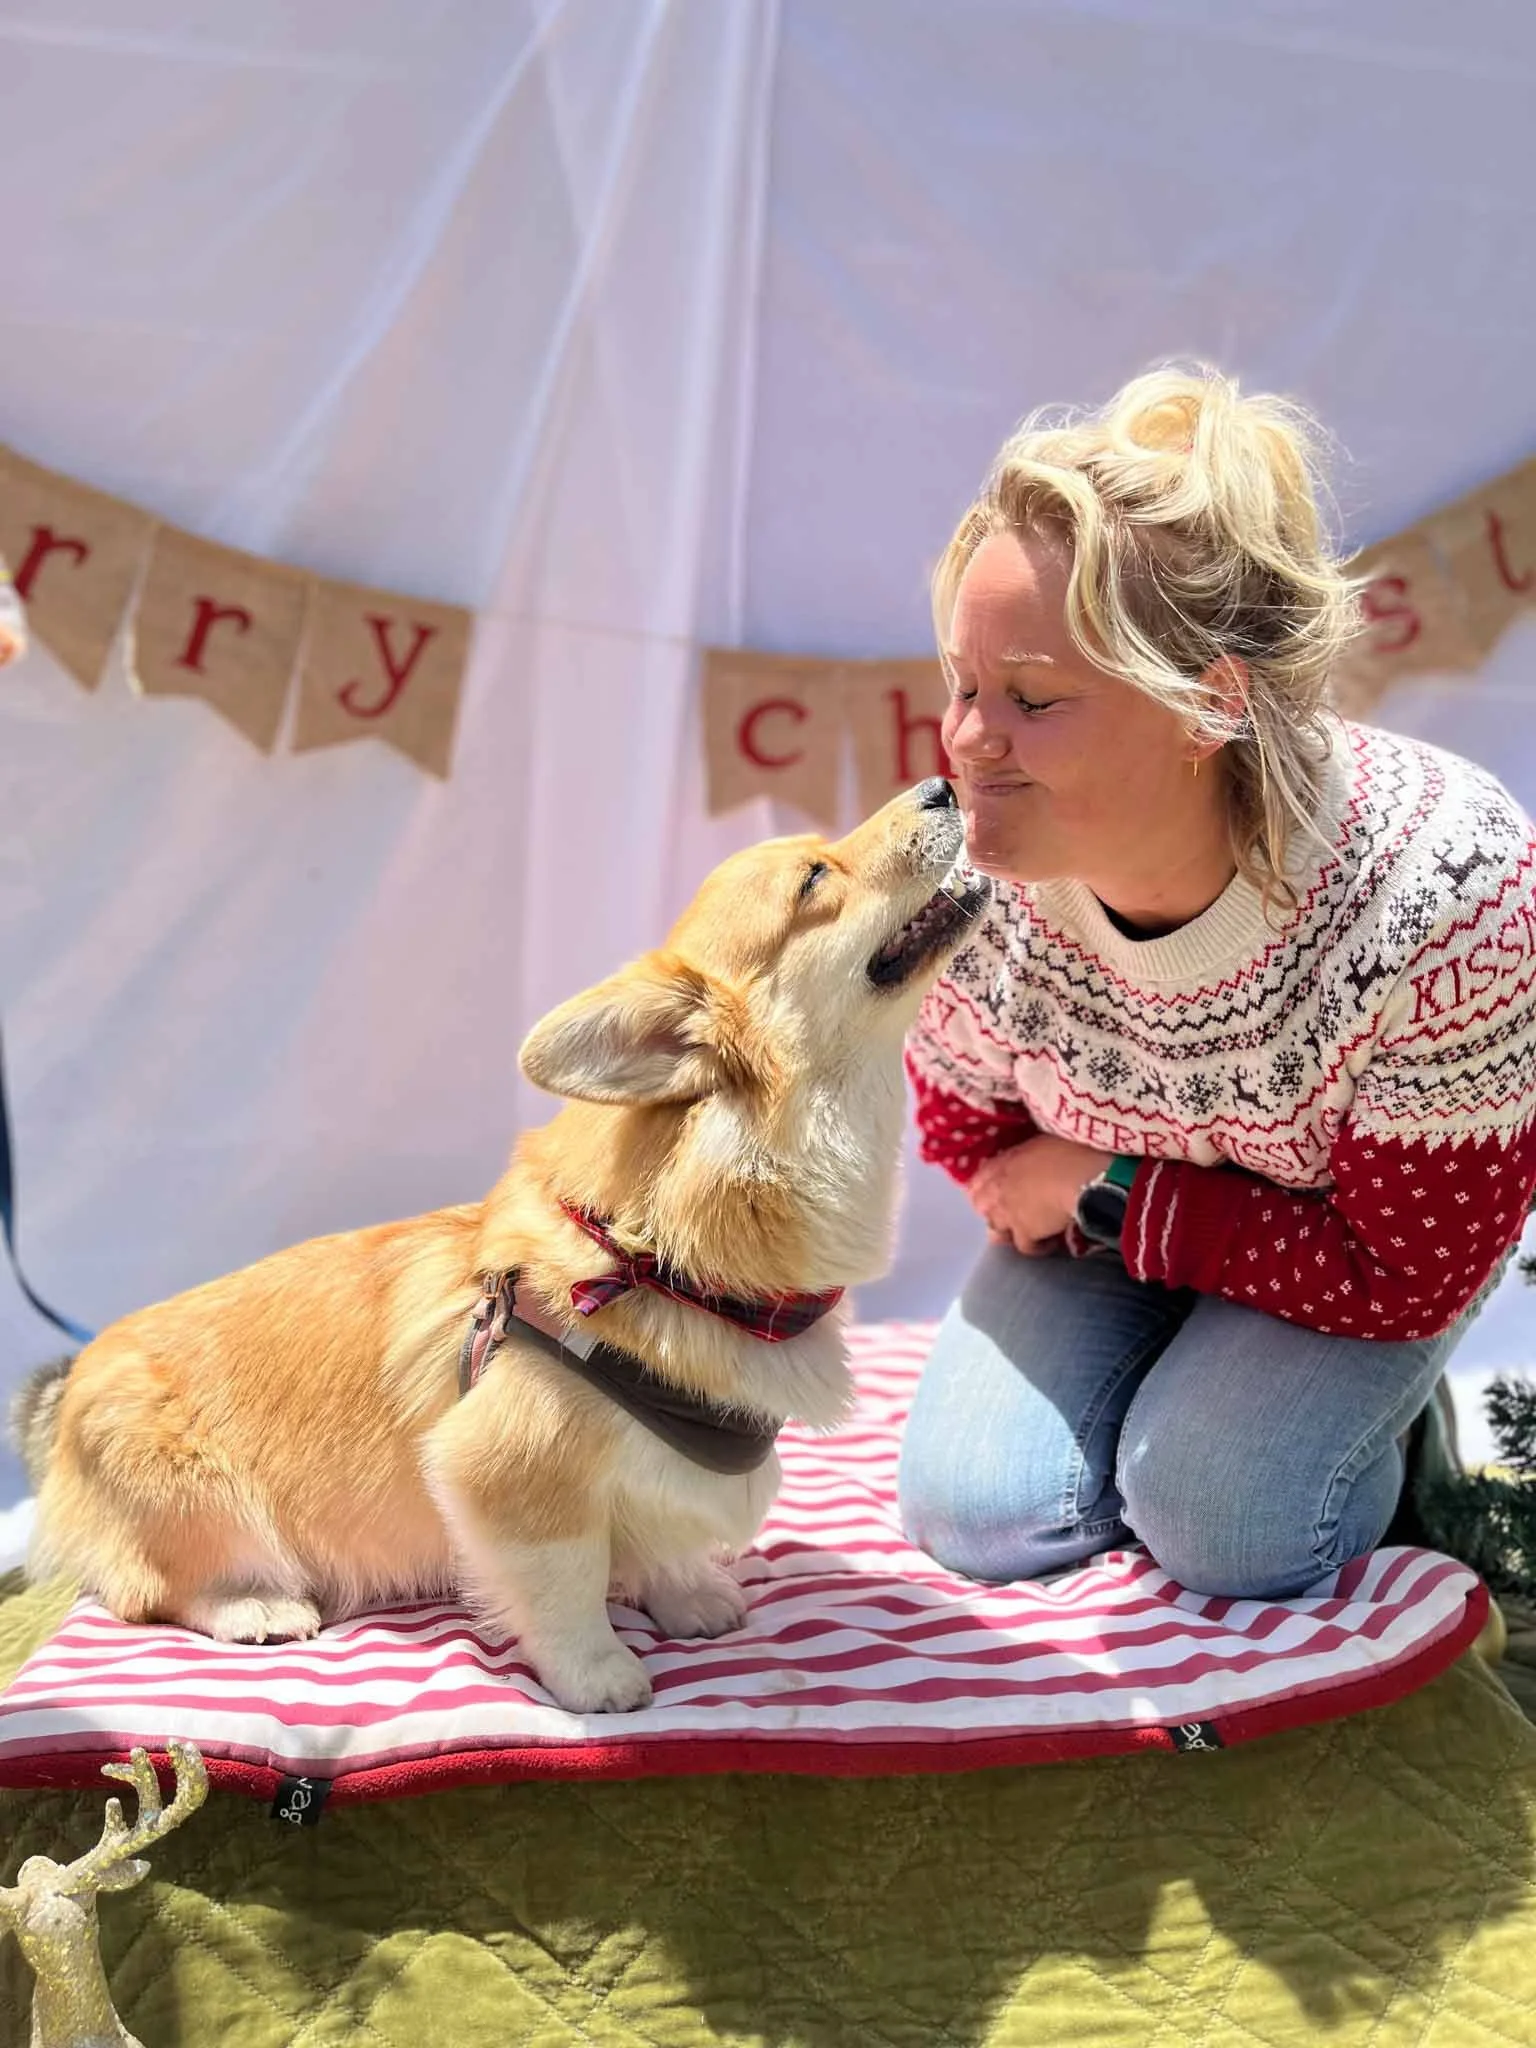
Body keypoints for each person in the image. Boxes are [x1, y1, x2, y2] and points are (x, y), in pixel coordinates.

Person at [897, 366, 1536, 1599]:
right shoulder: (964, 875)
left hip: (1358, 1240)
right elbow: (968, 1126)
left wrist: (1109, 1185)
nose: (970, 742)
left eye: (1031, 699)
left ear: (1209, 706)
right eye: (962, 684)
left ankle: (1397, 1447)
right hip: (1113, 1216)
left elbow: (1406, 1265)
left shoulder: (1452, 889)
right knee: (977, 1514)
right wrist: (1120, 1207)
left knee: (1229, 1525)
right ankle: (1190, 1375)